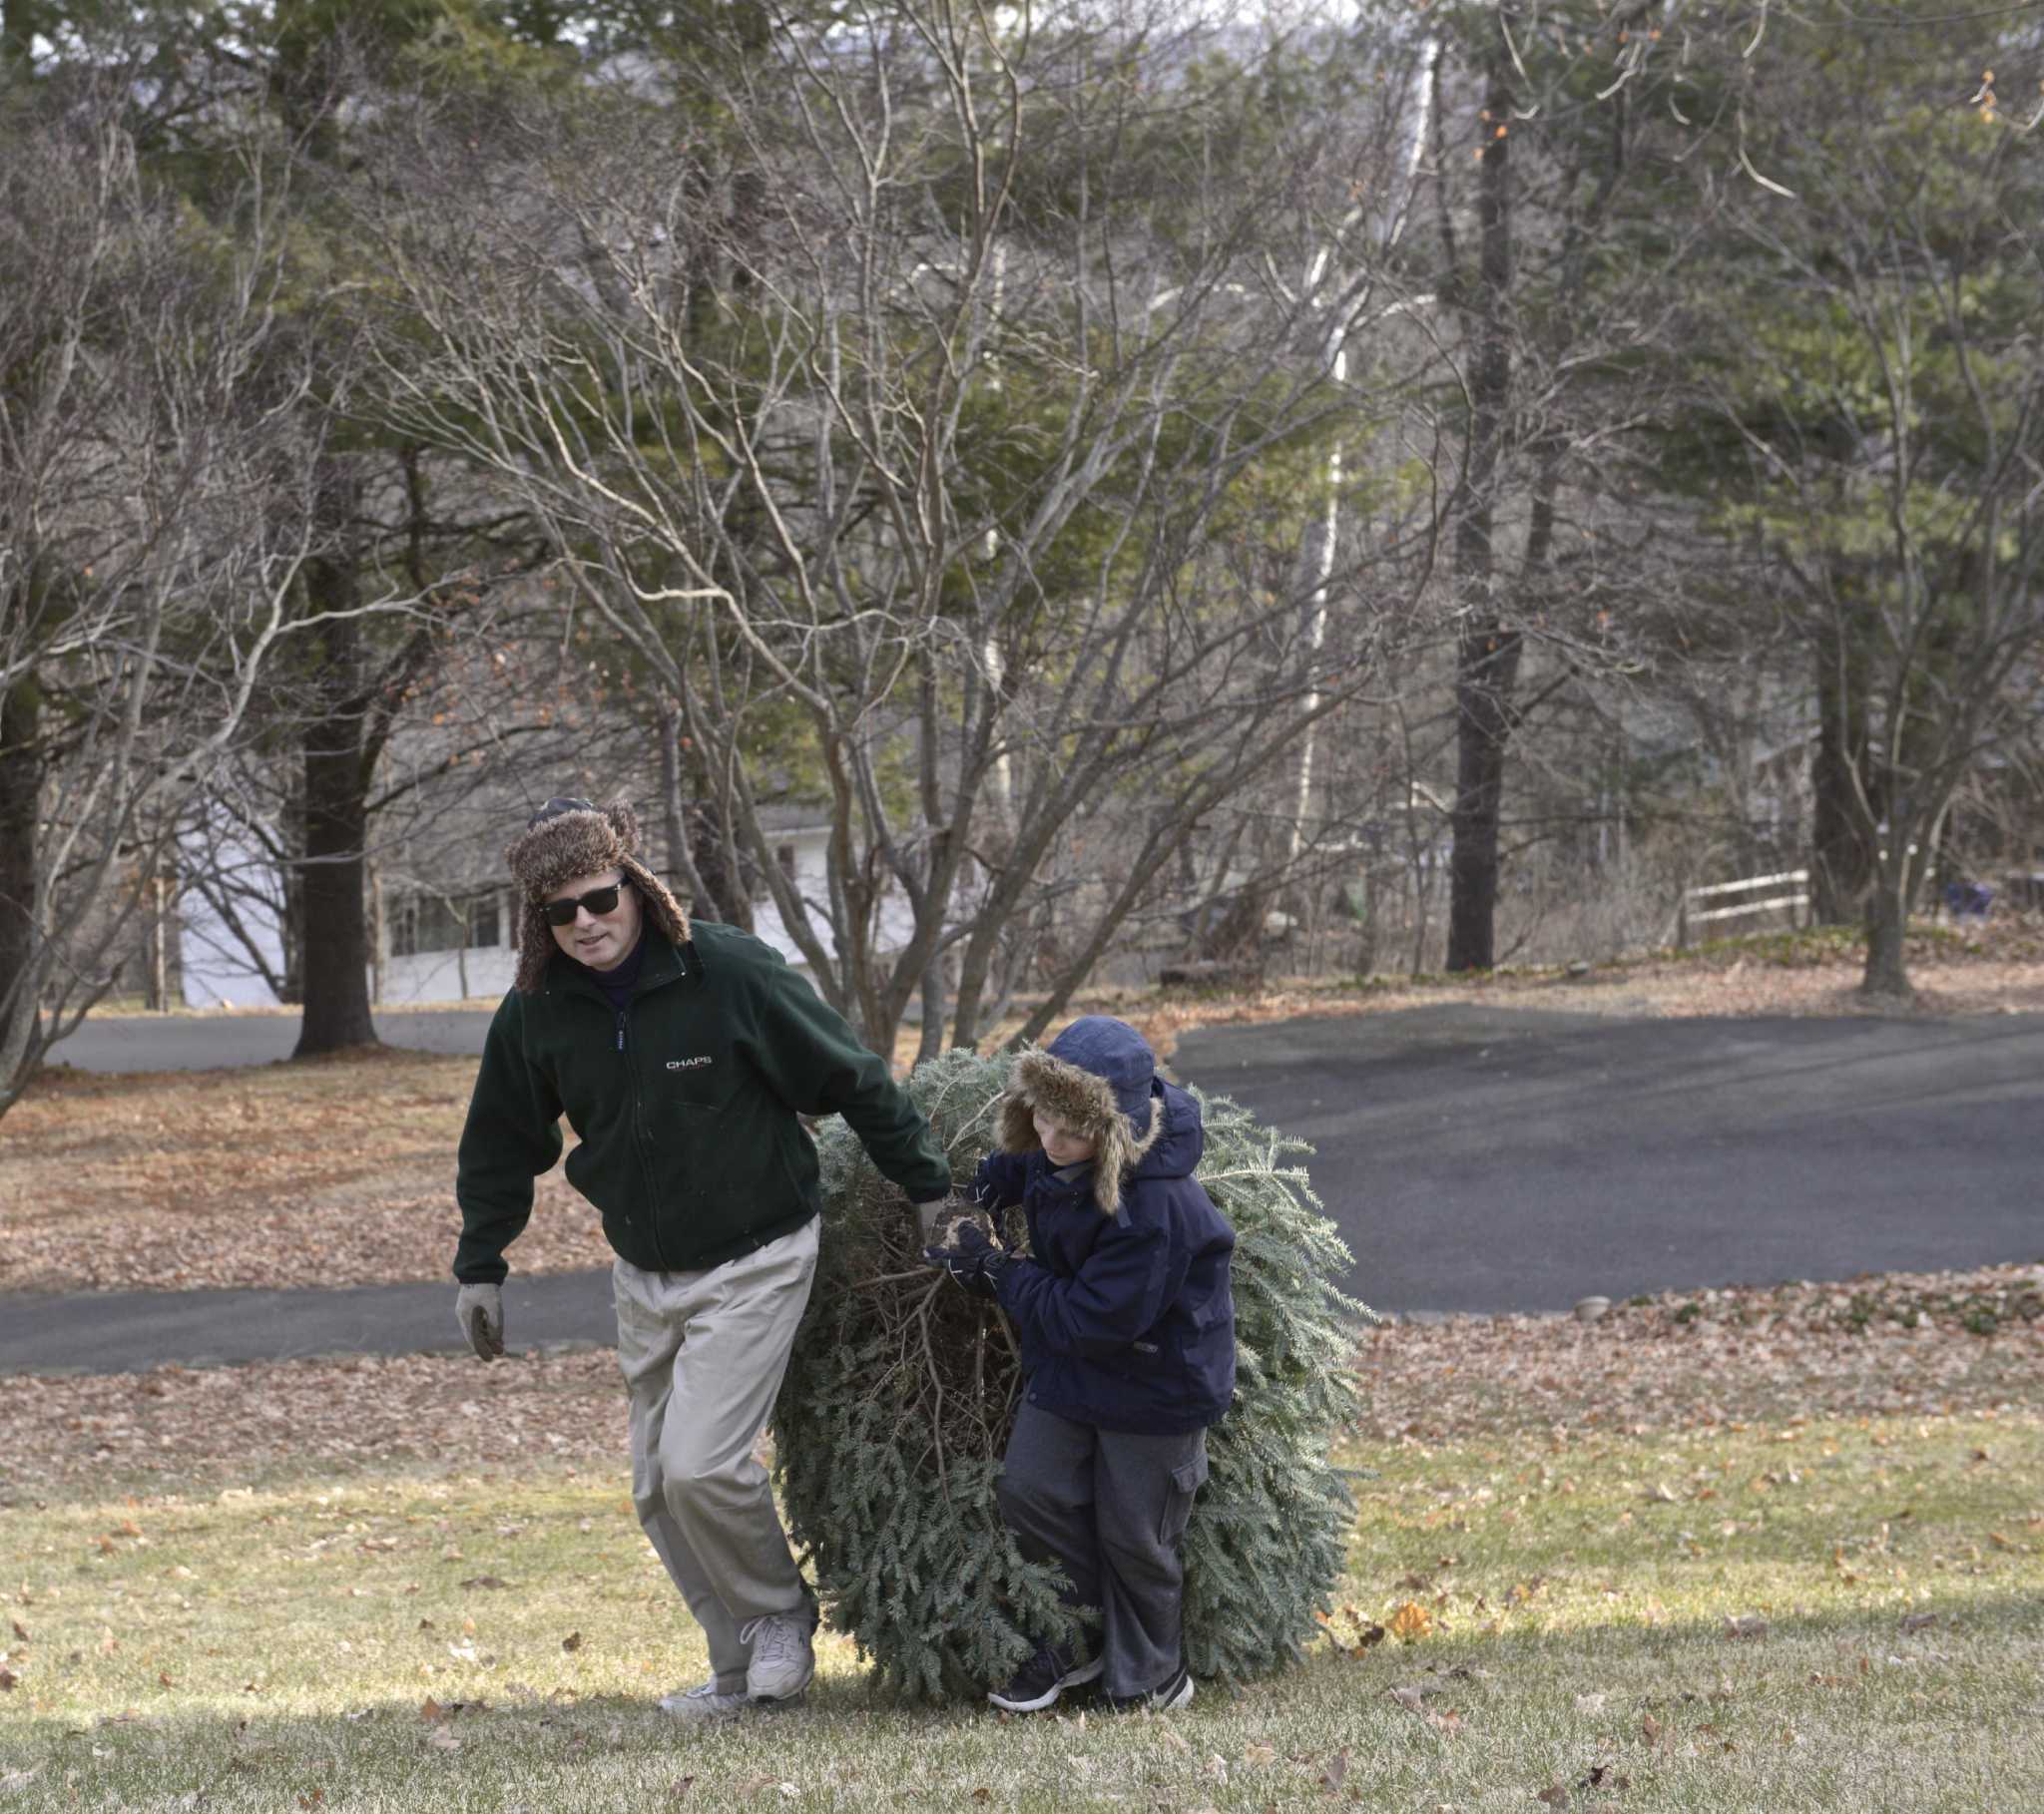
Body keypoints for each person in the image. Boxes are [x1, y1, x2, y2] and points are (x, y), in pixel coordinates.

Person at [452, 798, 953, 1720]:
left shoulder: (725, 972)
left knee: (700, 1465)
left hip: (758, 1253)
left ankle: (777, 1623)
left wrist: (928, 1187)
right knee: (655, 1487)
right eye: (559, 912)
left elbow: (852, 1077)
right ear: (539, 922)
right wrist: (481, 1261)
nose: (586, 923)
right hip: (646, 1272)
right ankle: (735, 1672)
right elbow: (497, 1143)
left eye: (599, 899)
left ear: (633, 886)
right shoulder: (535, 1014)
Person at [923, 1015, 1235, 1715]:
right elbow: (1022, 1167)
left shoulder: (1155, 1206)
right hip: (1073, 1370)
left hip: (1157, 1381)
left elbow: (1089, 1319)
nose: (1052, 1144)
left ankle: (1154, 1676)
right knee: (1032, 1490)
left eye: (1073, 1133)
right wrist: (970, 1201)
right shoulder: (1053, 1144)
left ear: (1117, 1130)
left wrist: (997, 1272)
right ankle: (1082, 1634)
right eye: (1041, 1121)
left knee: (1137, 1533)